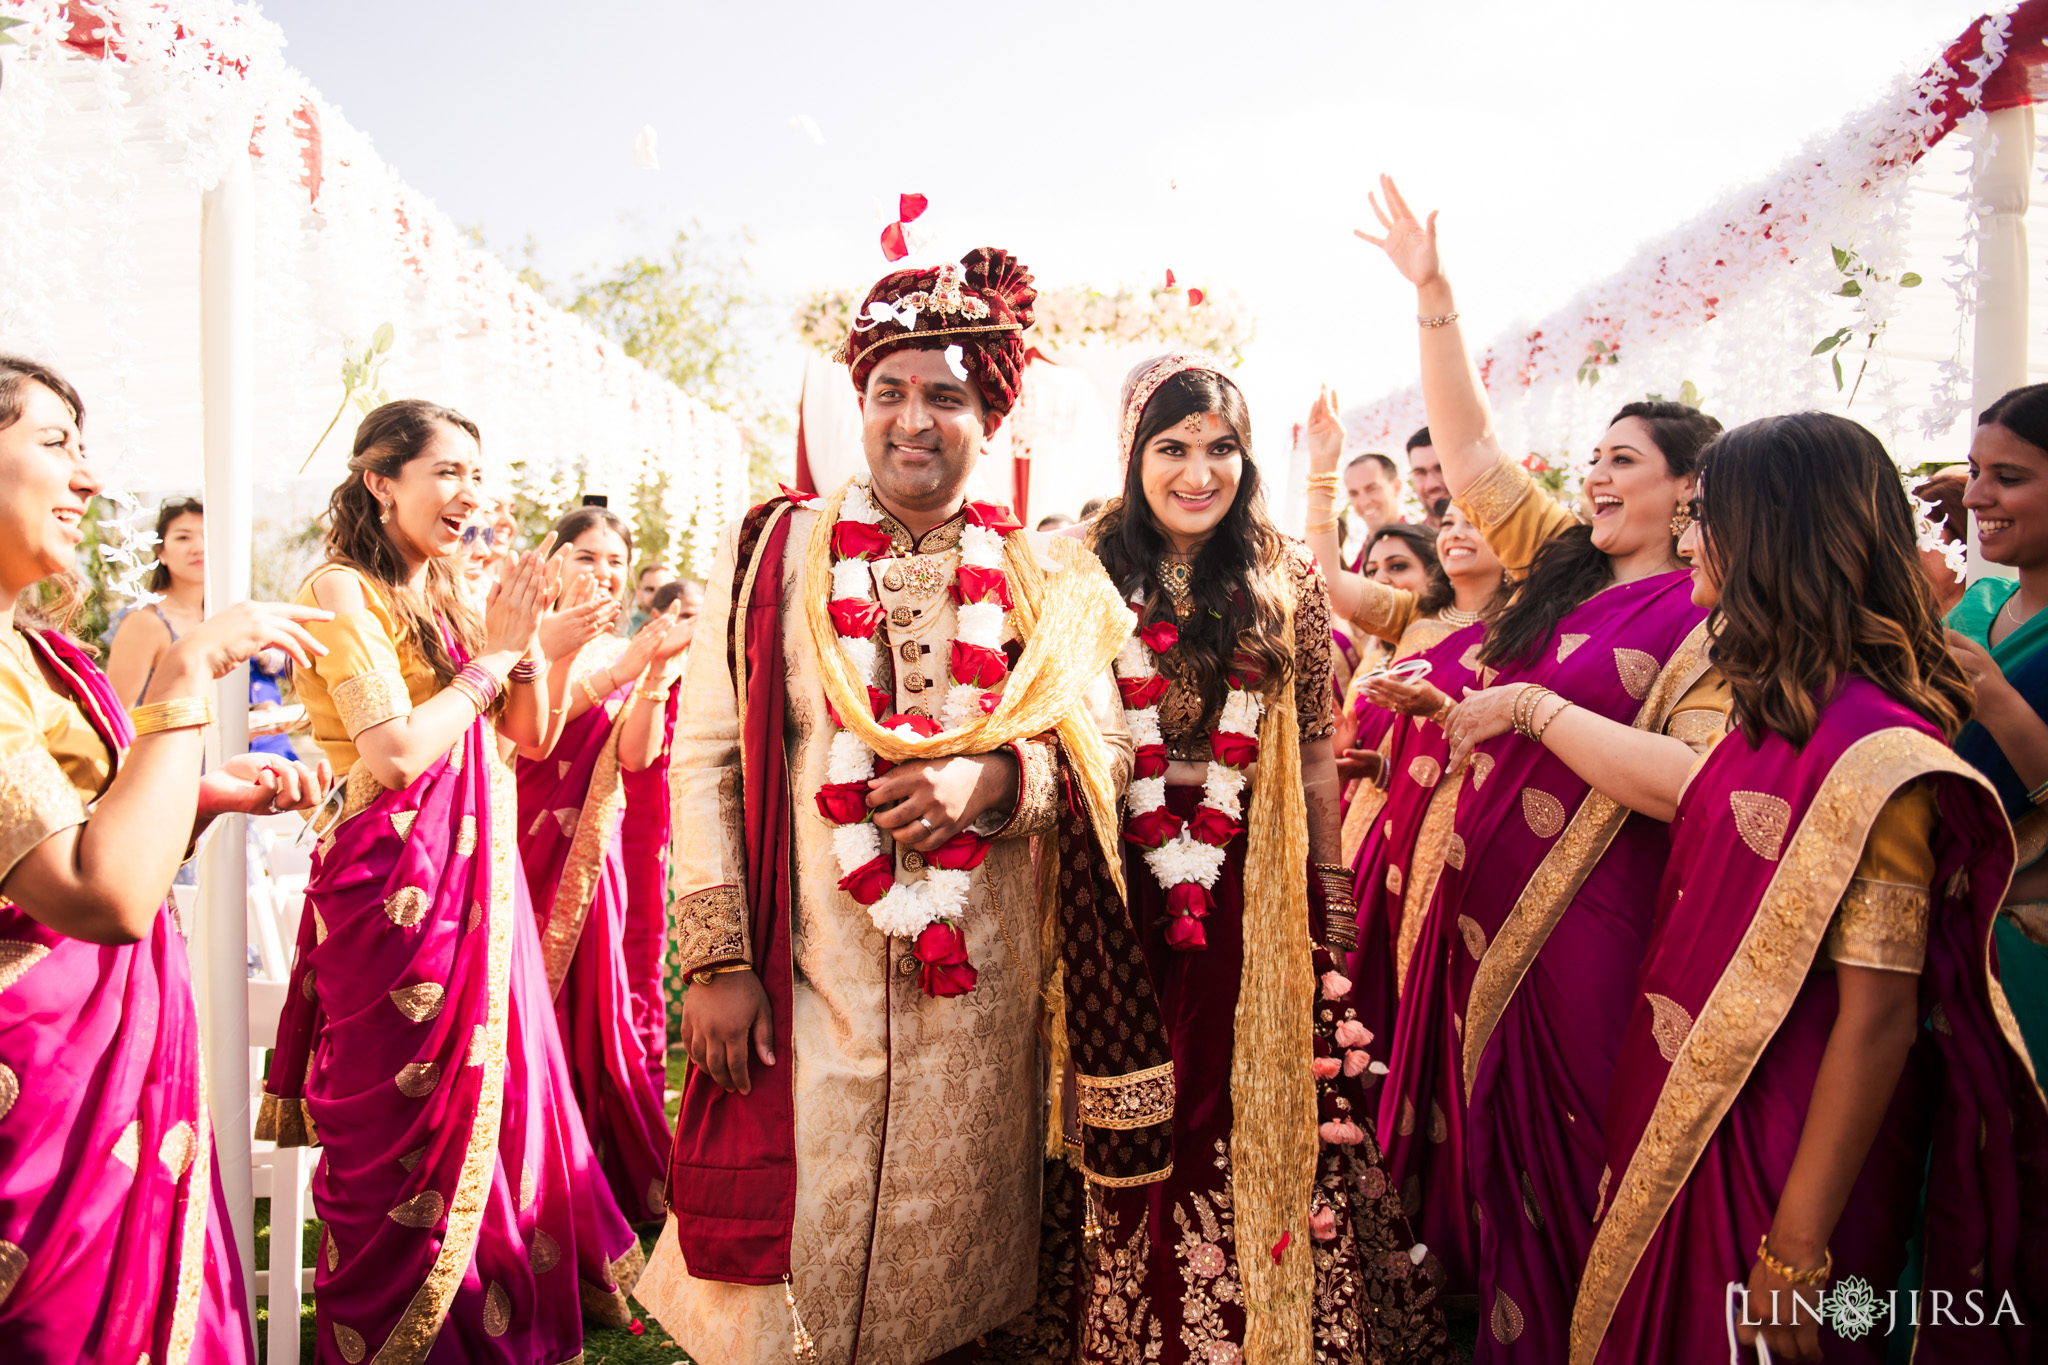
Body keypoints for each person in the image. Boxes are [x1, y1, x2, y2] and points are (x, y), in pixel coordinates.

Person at [634, 248, 1138, 1363]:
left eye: (944, 397)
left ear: (987, 418)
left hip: (984, 1005)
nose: (913, 421)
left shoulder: (1045, 576)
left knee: (954, 1293)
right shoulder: (773, 550)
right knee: (788, 1273)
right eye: (888, 393)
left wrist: (996, 783)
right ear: (856, 403)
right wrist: (714, 964)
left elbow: (1102, 758)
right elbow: (706, 759)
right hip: (813, 975)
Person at [1568, 412, 2048, 1363]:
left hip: (1792, 1161)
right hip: (1689, 1106)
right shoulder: (1769, 718)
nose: (1689, 537)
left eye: (1708, 514)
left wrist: (1793, 1255)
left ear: (1775, 531)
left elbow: (1878, 1019)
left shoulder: (1876, 749)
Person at [1358, 175, 1727, 1339]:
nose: (1598, 476)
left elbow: (1694, 785)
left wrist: (1525, 711)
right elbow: (1464, 449)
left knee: (1577, 1138)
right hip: (1479, 894)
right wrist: (1433, 297)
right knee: (1480, 1133)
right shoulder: (1560, 561)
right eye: (1596, 459)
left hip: (1597, 915)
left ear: (1689, 488)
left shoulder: (1712, 613)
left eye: (1626, 460)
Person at [1072, 352, 1448, 1362]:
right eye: (1171, 448)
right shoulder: (1082, 568)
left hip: (1256, 884)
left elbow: (1317, 760)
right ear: (1130, 454)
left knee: (1245, 1095)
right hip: (1116, 888)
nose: (1198, 472)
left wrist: (1329, 907)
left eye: (1219, 449)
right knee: (1129, 1098)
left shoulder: (1283, 577)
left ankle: (1263, 1324)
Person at [258, 399, 645, 1362]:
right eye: (447, 471)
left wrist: (541, 648)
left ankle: (488, 1321)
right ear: (381, 481)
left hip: (481, 878)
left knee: (491, 1108)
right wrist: (503, 654)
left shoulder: (449, 591)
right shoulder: (341, 588)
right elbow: (393, 753)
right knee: (400, 1119)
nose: (469, 492)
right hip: (391, 885)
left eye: (478, 471)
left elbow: (527, 736)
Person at [0, 355, 333, 1363]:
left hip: (102, 1067)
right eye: (57, 444)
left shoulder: (33, 650)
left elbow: (90, 838)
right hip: (35, 1089)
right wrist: (187, 672)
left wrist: (196, 800)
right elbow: (98, 895)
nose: (90, 481)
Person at [514, 505, 688, 1226]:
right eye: (588, 556)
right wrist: (620, 665)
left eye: (616, 560)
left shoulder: (625, 648)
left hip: (595, 859)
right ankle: (520, 1169)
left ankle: (591, 1176)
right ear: (552, 561)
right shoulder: (521, 639)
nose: (605, 571)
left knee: (597, 1018)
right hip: (522, 851)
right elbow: (529, 741)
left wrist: (653, 676)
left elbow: (638, 756)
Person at [1341, 502, 1508, 1049]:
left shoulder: (1527, 629)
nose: (1384, 580)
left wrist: (1434, 711)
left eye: (1398, 566)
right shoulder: (1420, 628)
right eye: (1374, 568)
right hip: (1378, 819)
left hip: (1464, 826)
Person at [1946, 383, 2048, 1074]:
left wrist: (1999, 703)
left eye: (2008, 477)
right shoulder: (1974, 608)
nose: (1977, 496)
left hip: (2027, 943)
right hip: (1939, 932)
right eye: (1976, 471)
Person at [107, 496, 300, 759]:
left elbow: (294, 665)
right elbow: (116, 717)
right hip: (186, 771)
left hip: (268, 760)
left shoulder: (234, 612)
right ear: (160, 553)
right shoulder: (146, 622)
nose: (199, 547)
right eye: (183, 538)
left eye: (207, 535)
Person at [1407, 427, 1447, 528]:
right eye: (1420, 473)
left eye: (1440, 469)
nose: (1431, 485)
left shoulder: (1490, 534)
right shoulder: (1409, 541)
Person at [628, 560, 675, 634]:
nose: (657, 594)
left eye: (663, 589)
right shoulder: (624, 628)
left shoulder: (681, 624)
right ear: (638, 594)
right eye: (650, 589)